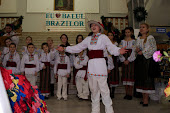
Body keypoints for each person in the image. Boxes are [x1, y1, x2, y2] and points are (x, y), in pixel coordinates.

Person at [57, 20, 127, 113]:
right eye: (92, 25)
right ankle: (95, 111)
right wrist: (65, 48)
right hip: (91, 66)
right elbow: (78, 47)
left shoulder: (103, 37)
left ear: (99, 28)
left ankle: (109, 111)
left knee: (104, 90)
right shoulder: (88, 39)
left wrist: (118, 51)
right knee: (94, 91)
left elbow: (111, 47)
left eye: (95, 25)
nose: (93, 27)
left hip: (101, 66)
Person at [135, 23, 157, 107]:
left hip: (147, 60)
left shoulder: (150, 38)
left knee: (147, 78)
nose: (141, 29)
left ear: (147, 29)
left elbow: (153, 48)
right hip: (140, 60)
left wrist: (143, 52)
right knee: (142, 78)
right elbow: (136, 48)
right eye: (140, 27)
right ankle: (143, 97)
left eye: (143, 27)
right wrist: (136, 49)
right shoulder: (138, 38)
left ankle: (146, 100)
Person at [119, 27, 136, 100]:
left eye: (128, 32)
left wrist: (129, 60)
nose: (127, 34)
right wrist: (123, 59)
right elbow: (119, 51)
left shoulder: (134, 41)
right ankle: (126, 93)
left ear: (131, 32)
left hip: (131, 60)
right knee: (125, 75)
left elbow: (134, 52)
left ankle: (130, 94)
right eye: (126, 32)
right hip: (124, 59)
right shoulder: (122, 41)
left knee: (130, 75)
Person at [107, 31, 119, 98]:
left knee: (114, 75)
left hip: (114, 60)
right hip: (107, 59)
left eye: (111, 35)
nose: (110, 37)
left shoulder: (115, 43)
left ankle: (113, 92)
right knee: (108, 76)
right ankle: (108, 91)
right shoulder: (105, 43)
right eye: (108, 35)